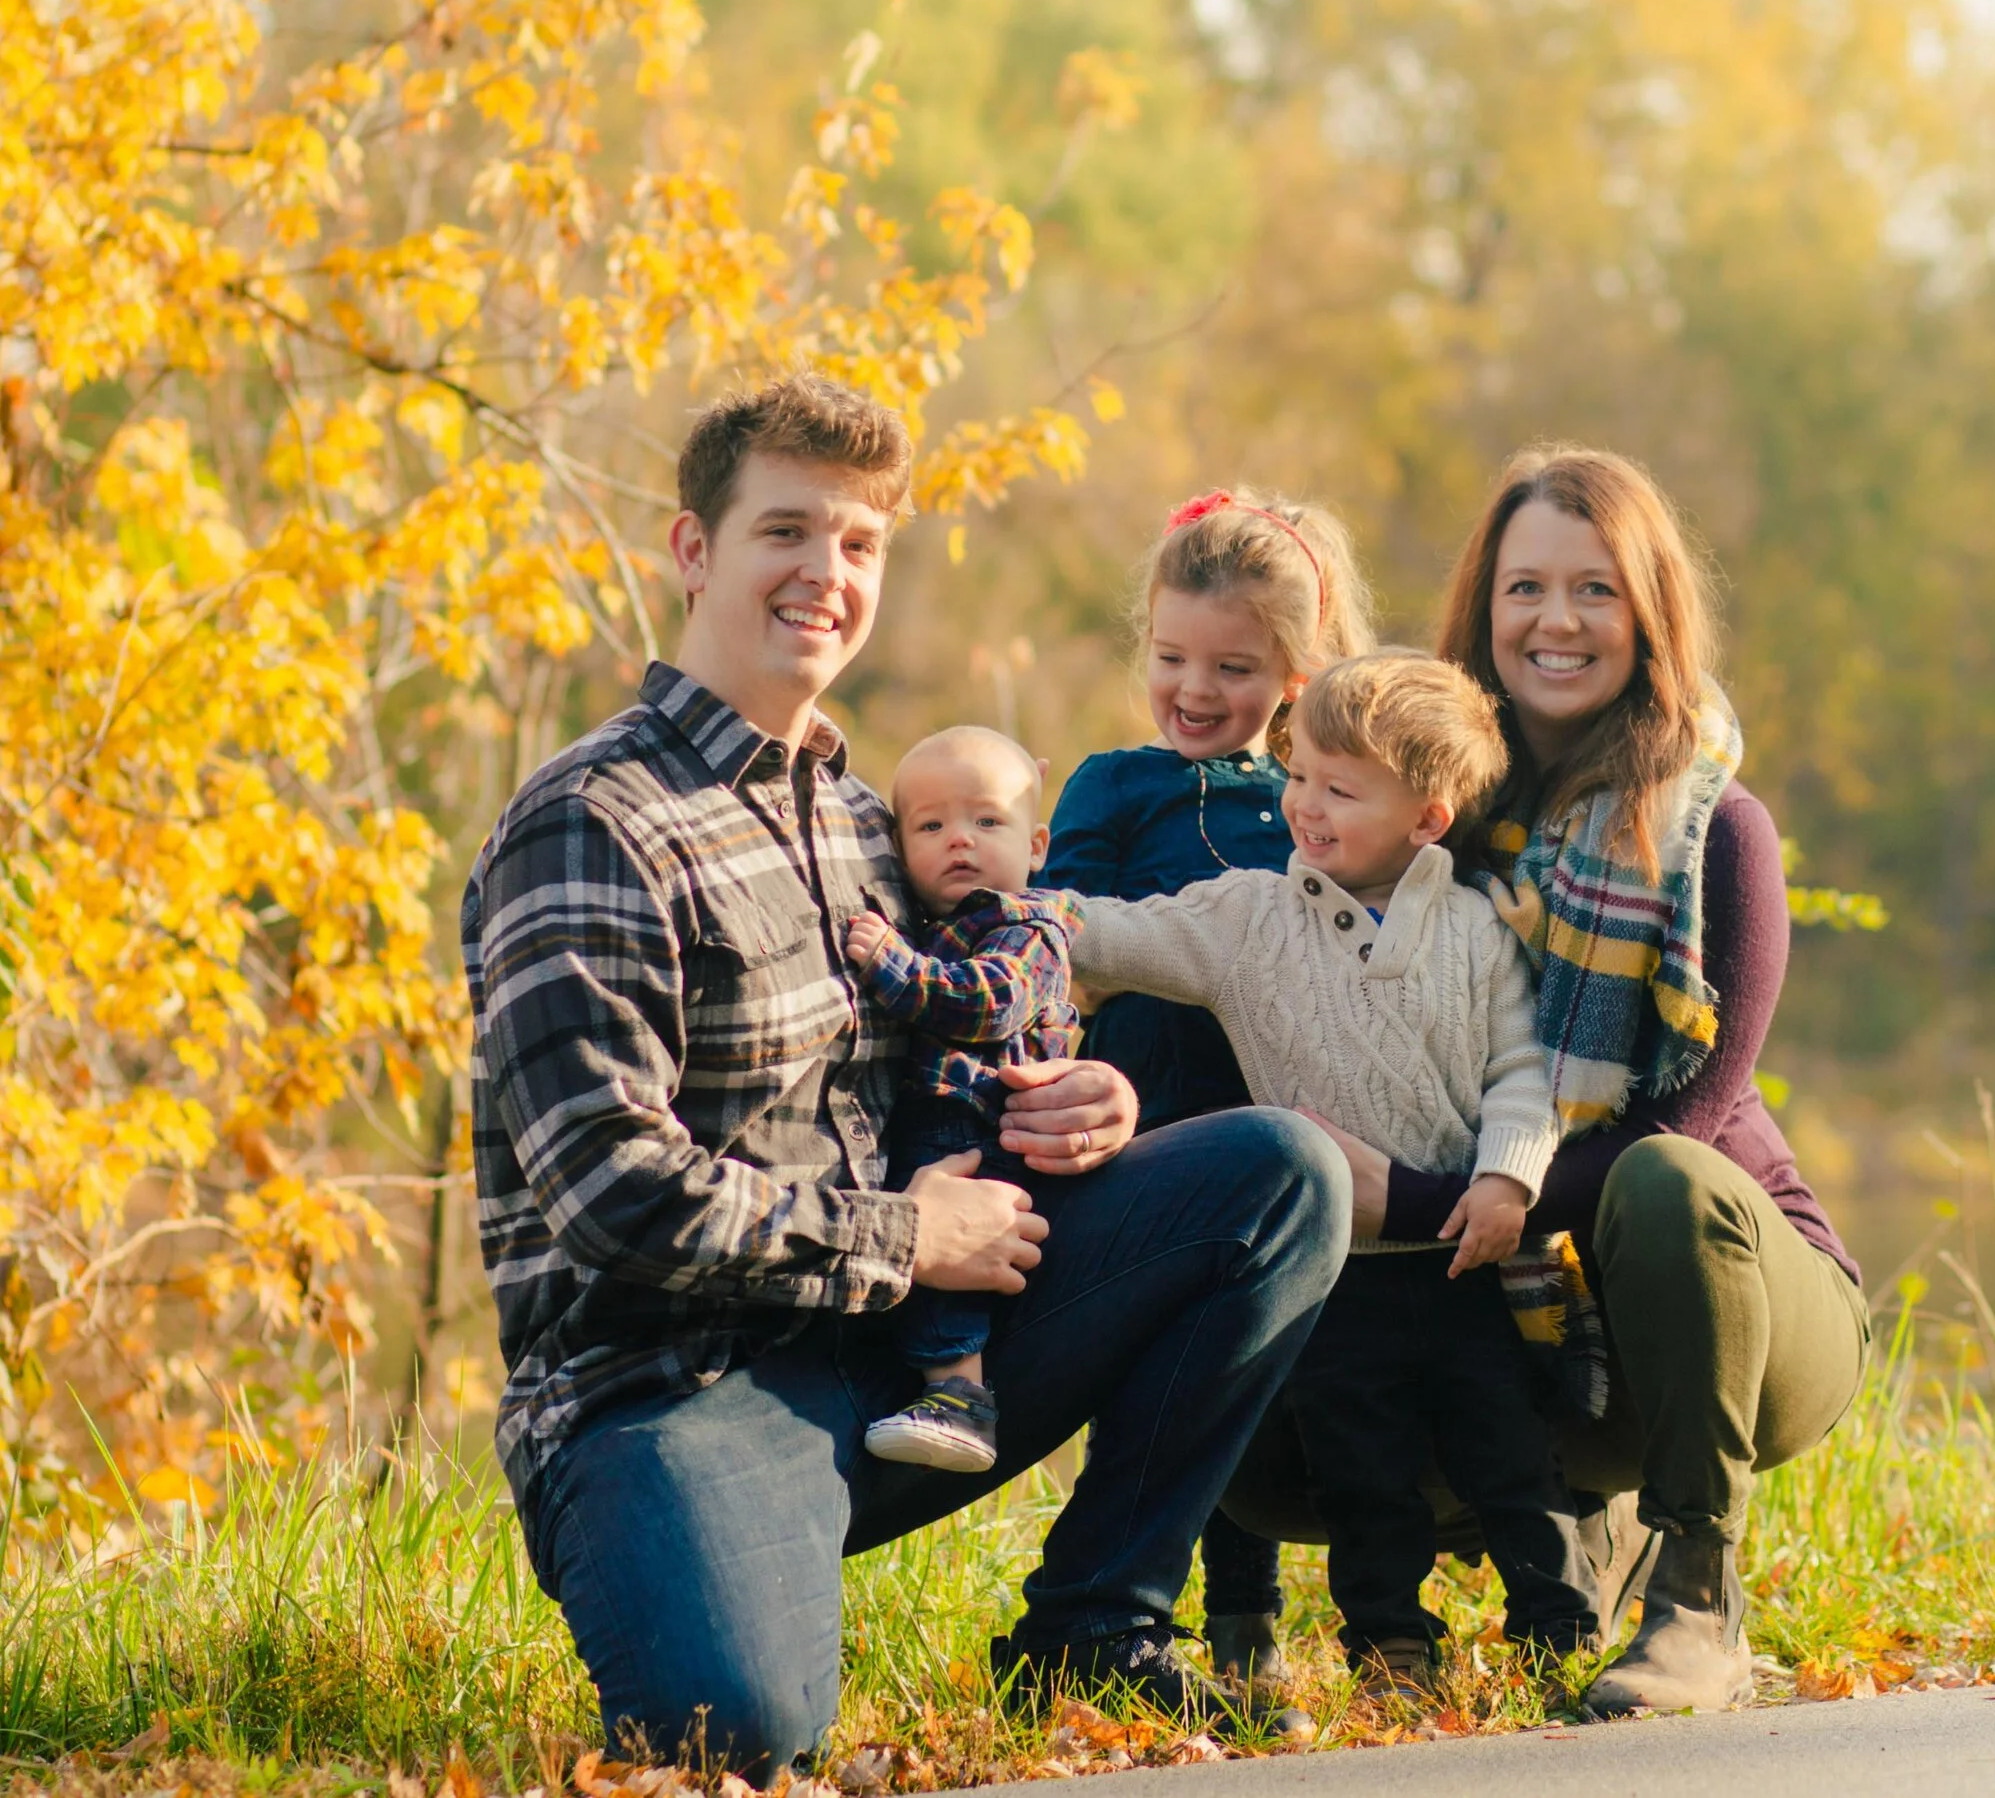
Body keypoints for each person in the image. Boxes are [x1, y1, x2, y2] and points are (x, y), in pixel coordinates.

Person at [461, 370, 1351, 1774]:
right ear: (693, 551)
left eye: (860, 542)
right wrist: (905, 1237)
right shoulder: (592, 825)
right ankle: (714, 1564)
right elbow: (606, 1191)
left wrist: (1074, 1099)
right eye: (786, 531)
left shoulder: (874, 825)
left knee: (1277, 1175)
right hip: (673, 1390)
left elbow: (962, 1049)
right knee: (735, 1733)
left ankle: (1095, 1625)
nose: (827, 572)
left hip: (910, 1354)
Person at [1346, 444, 1869, 1716]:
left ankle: (1696, 1594)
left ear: (1649, 612)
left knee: (1665, 1178)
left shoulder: (1714, 832)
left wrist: (1414, 1205)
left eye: (1596, 590)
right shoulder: (1427, 829)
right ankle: (1538, 1534)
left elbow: (1677, 1122)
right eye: (1525, 587)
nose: (1558, 620)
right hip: (1512, 1310)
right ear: (1483, 607)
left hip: (1738, 1306)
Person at [1068, 650, 1600, 1697]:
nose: (1302, 805)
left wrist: (1505, 1180)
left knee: (1511, 1455)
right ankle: (1391, 1648)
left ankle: (1562, 1631)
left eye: (1339, 791)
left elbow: (1521, 1071)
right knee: (1362, 1469)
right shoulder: (1247, 919)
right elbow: (1112, 936)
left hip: (1461, 1261)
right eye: (1299, 775)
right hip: (1337, 1270)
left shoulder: (1477, 931)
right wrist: (1004, 899)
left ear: (1427, 820)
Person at [1037, 485, 1374, 1687]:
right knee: (1164, 1370)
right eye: (1171, 657)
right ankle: (1151, 1610)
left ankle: (1274, 1618)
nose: (1193, 689)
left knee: (1261, 1368)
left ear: (1296, 672)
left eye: (1232, 668)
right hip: (1142, 1118)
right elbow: (1058, 930)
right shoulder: (1114, 785)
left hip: (1288, 1112)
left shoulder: (1315, 802)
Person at [840, 727, 1080, 1474]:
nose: (959, 840)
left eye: (986, 820)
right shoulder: (937, 925)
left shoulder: (1028, 926)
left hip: (975, 1117)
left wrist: (894, 967)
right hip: (936, 1112)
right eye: (931, 825)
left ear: (1035, 845)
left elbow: (990, 1003)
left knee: (950, 1243)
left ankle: (958, 1397)